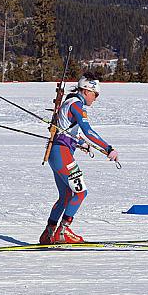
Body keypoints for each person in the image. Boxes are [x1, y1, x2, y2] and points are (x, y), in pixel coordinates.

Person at [39, 73, 119, 244]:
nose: (95, 98)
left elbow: (67, 130)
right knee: (81, 193)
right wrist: (108, 148)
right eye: (95, 94)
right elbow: (88, 130)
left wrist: (80, 143)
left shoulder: (69, 102)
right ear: (86, 90)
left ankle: (49, 233)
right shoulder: (76, 105)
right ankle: (63, 232)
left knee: (66, 195)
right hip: (62, 154)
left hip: (56, 154)